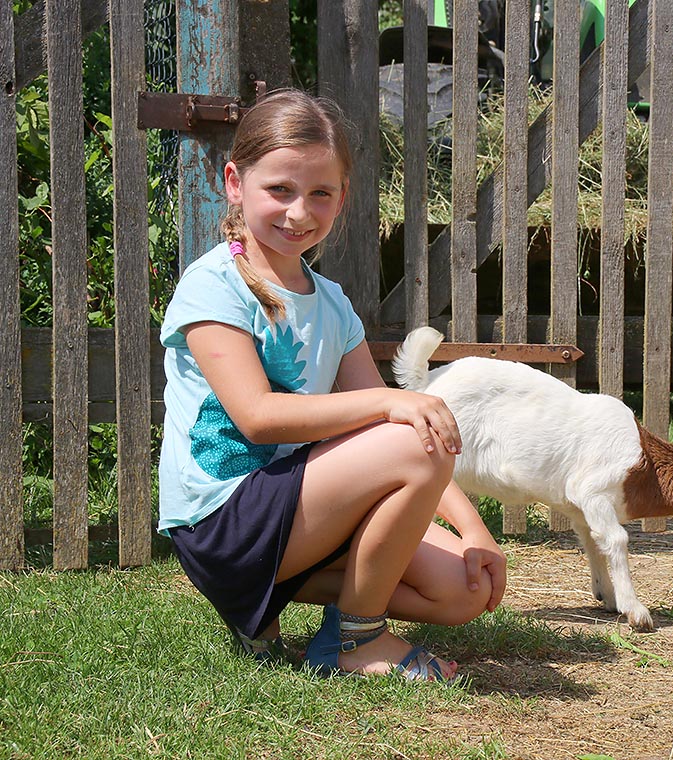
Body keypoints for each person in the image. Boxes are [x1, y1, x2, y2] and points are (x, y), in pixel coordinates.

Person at [158, 89, 505, 680]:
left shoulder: (333, 306)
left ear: (343, 197)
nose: (300, 212)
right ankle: (357, 641)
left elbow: (390, 426)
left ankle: (269, 613)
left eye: (320, 193)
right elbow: (257, 418)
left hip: (298, 518)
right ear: (235, 183)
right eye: (280, 190)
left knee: (463, 589)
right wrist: (391, 400)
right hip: (224, 523)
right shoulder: (212, 284)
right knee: (412, 434)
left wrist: (474, 530)